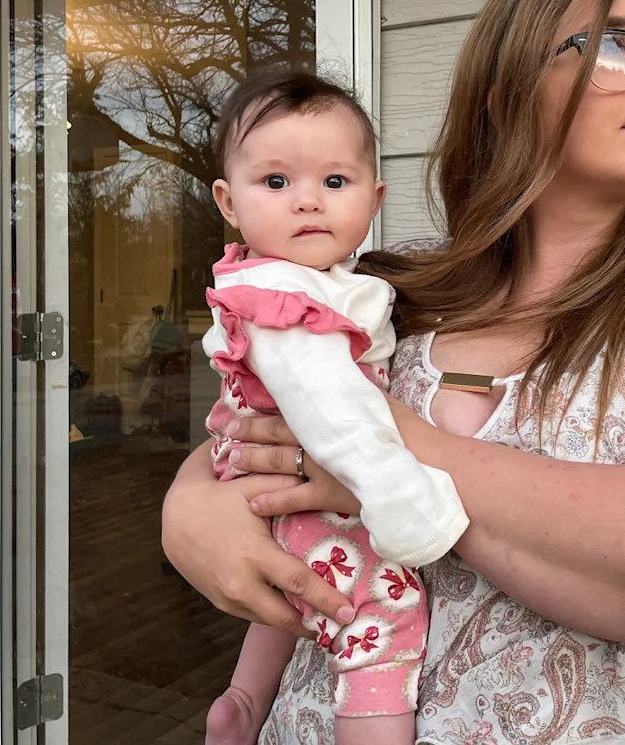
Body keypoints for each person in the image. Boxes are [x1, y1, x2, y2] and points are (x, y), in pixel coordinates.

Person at [164, 0, 625, 745]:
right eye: (613, 44)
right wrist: (188, 510)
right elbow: (261, 425)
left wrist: (392, 454)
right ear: (506, 95)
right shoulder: (390, 288)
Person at [200, 69, 469, 745]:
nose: (307, 202)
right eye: (276, 181)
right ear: (229, 202)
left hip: (270, 486)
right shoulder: (286, 300)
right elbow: (336, 413)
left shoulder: (304, 283)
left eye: (335, 181)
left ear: (374, 199)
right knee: (379, 620)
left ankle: (242, 700)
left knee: (295, 588)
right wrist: (402, 500)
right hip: (305, 482)